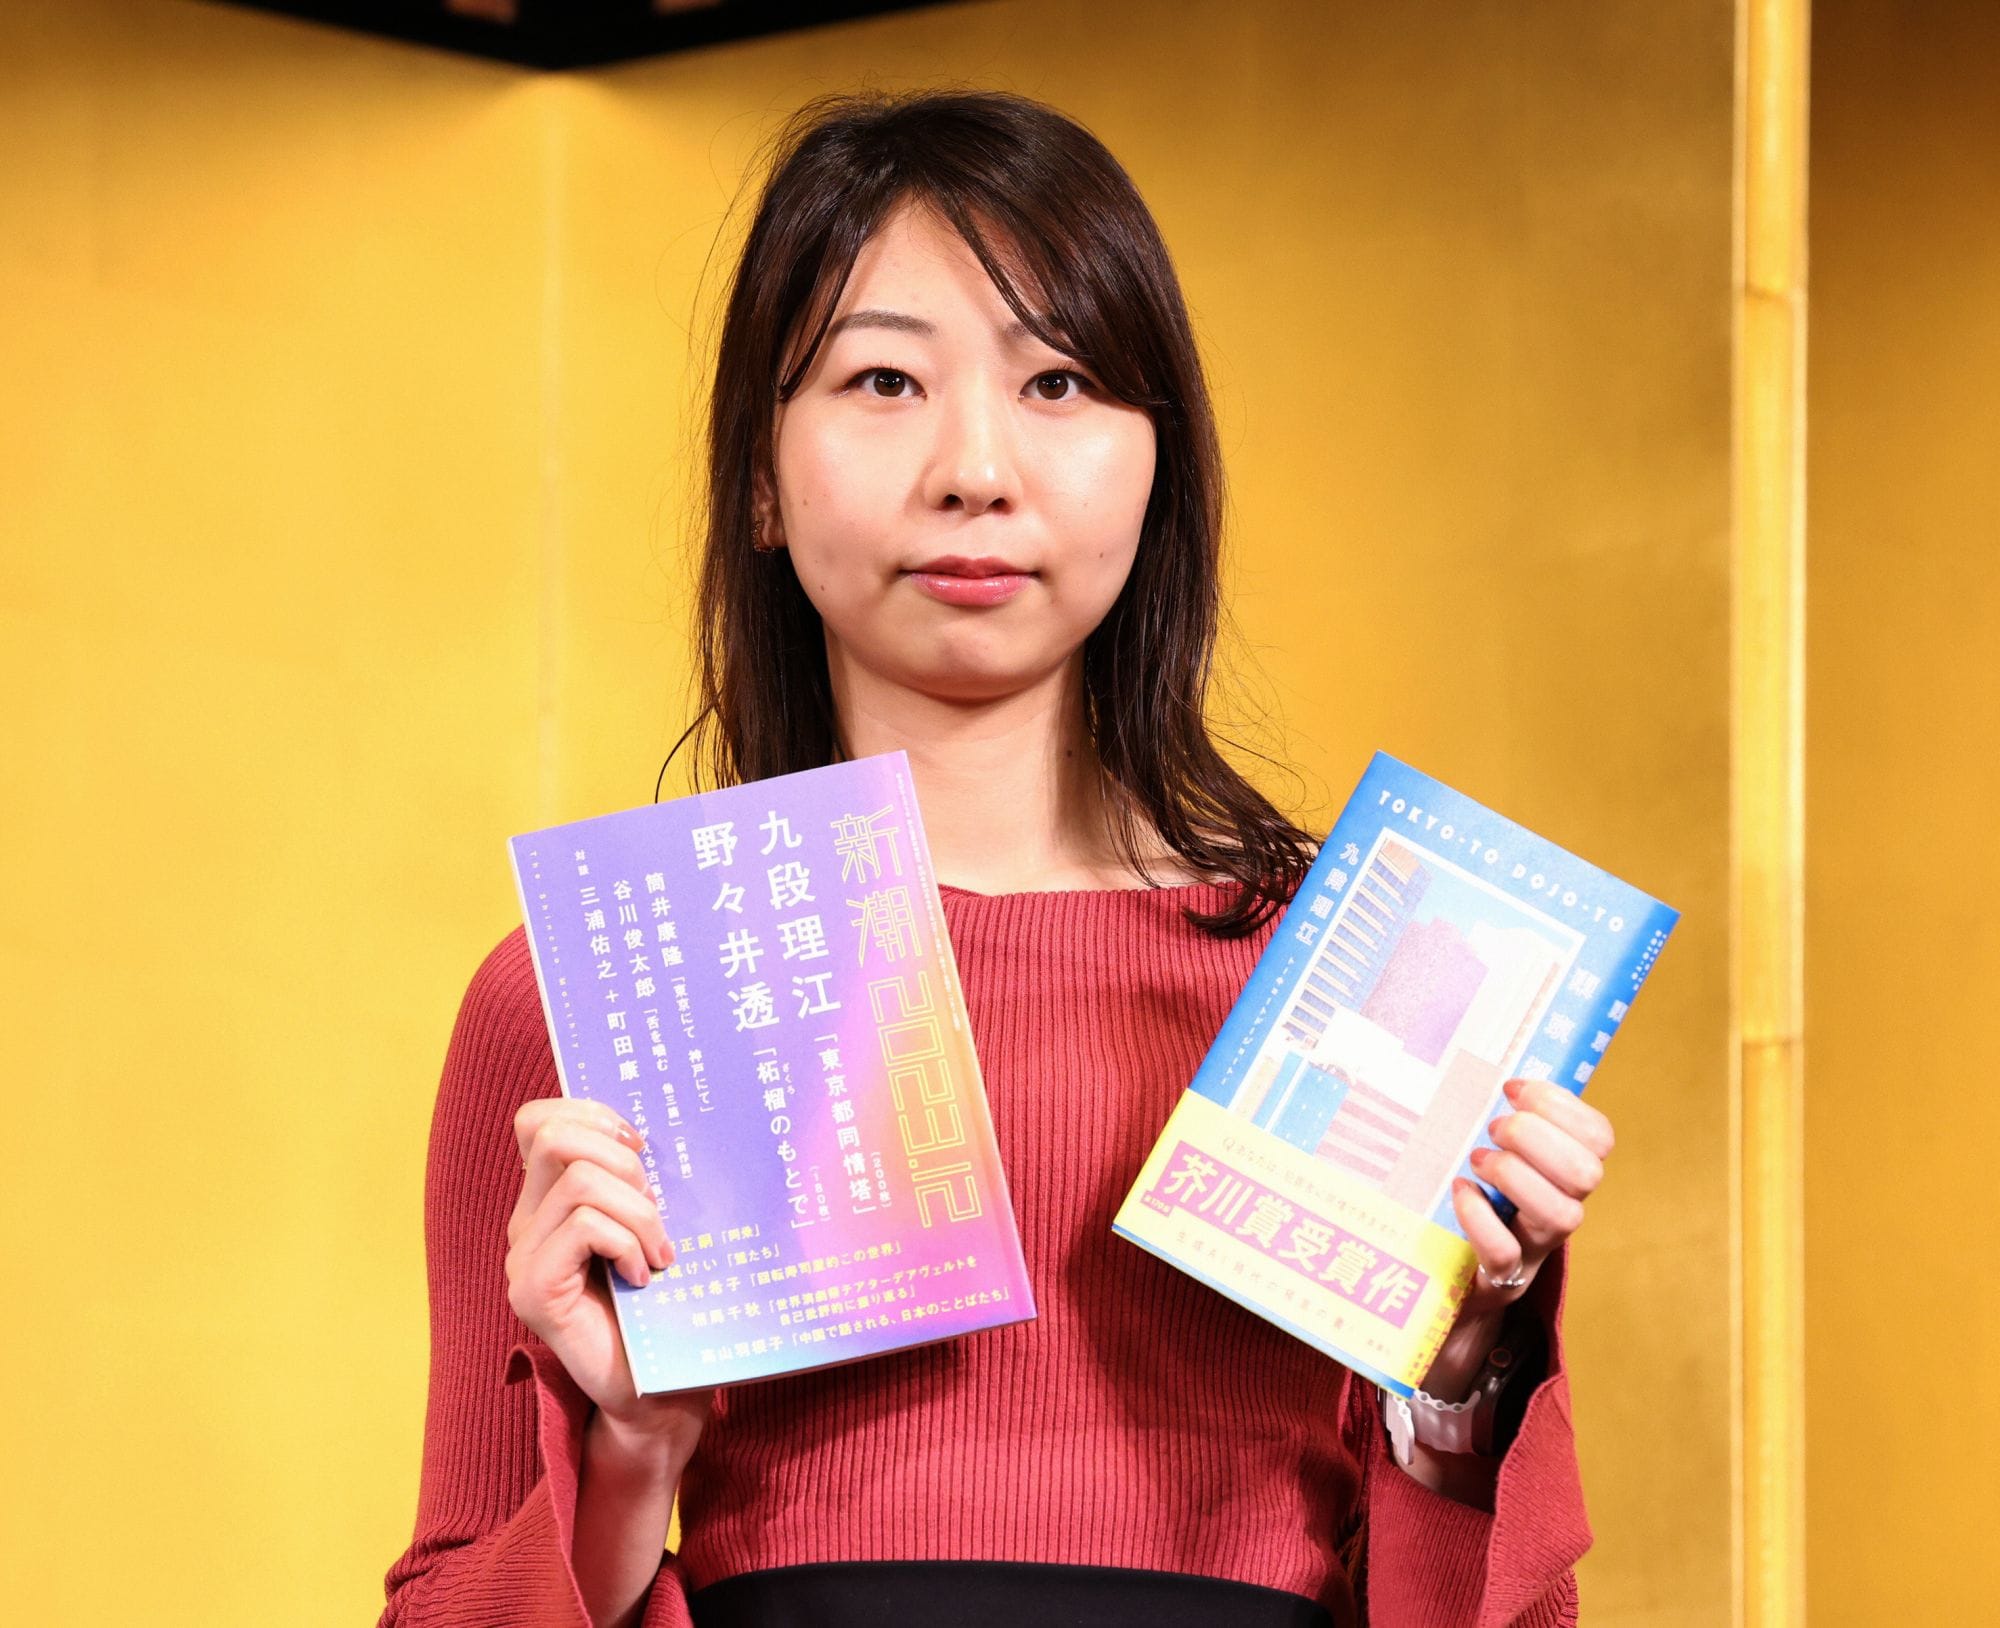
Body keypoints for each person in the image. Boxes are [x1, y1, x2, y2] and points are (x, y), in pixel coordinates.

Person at [379, 89, 1607, 1628]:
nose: (974, 467)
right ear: (758, 474)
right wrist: (630, 1445)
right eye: (884, 379)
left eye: (1060, 380)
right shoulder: (597, 995)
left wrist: (1461, 1373)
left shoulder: (1351, 970)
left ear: (1159, 466)